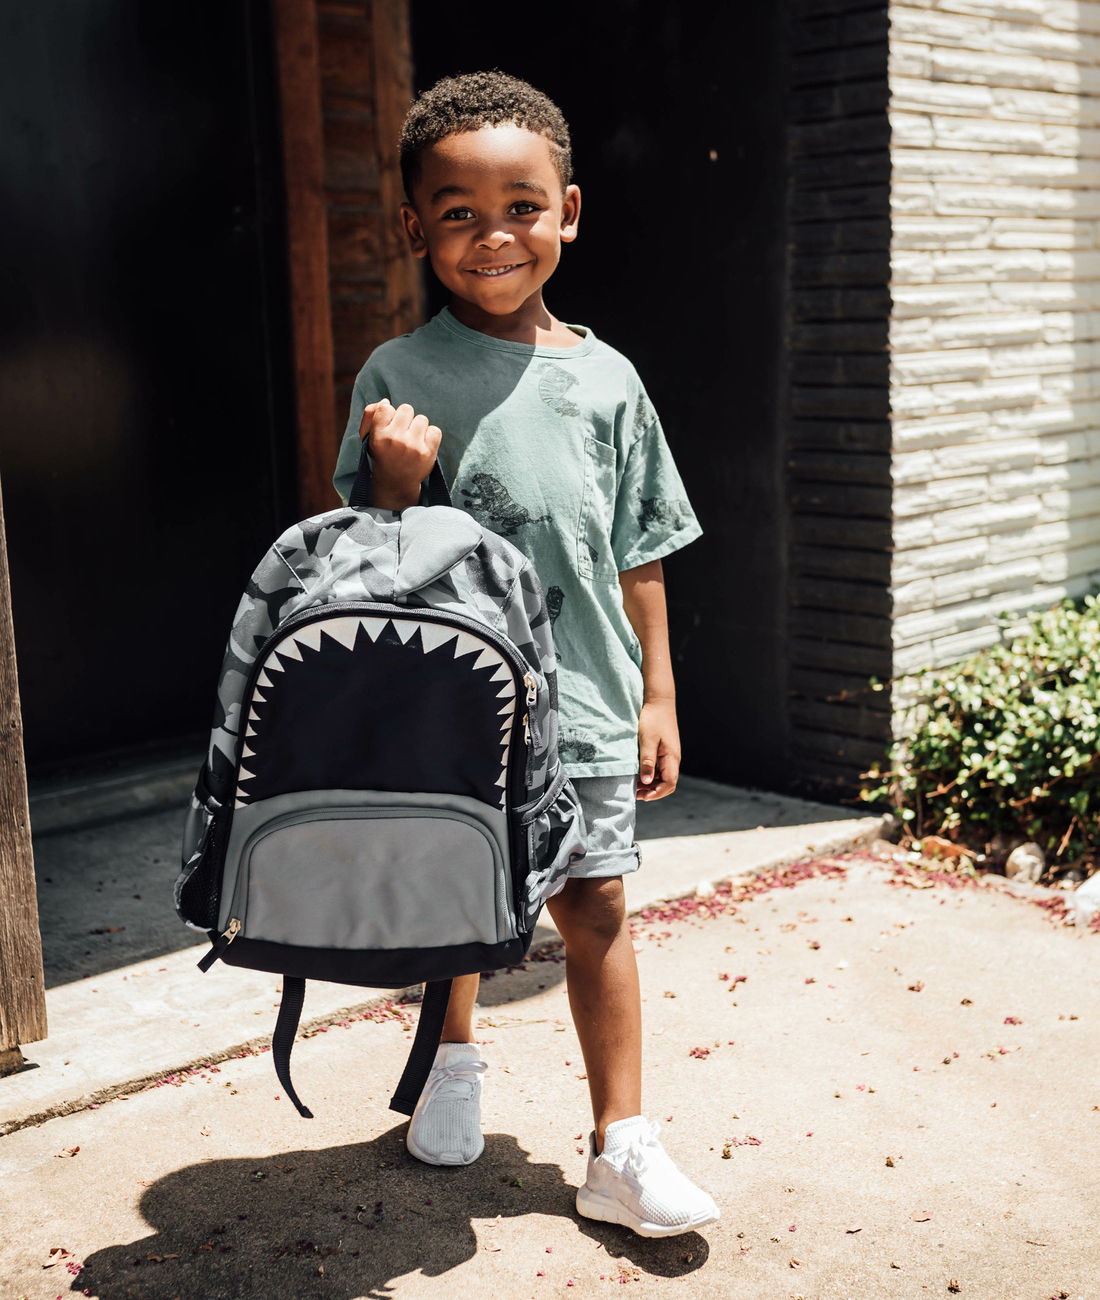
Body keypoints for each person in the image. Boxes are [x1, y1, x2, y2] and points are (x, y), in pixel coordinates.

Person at [331, 71, 718, 1238]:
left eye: (522, 206)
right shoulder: (396, 376)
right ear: (413, 228)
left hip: (590, 697)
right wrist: (395, 481)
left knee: (594, 904)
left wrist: (657, 692)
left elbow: (639, 550)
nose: (492, 235)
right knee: (461, 898)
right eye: (457, 211)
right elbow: (368, 565)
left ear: (569, 211)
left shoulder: (610, 380)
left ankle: (622, 1144)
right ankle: (451, 1062)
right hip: (452, 704)